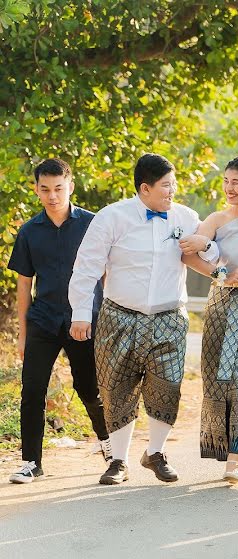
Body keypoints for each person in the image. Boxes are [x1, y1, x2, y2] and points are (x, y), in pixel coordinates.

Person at [69, 153, 219, 485]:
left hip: (169, 317)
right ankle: (118, 462)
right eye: (167, 186)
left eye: (174, 184)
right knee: (116, 387)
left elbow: (210, 253)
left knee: (167, 385)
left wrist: (205, 243)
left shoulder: (186, 216)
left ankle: (155, 452)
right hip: (118, 316)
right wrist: (81, 313)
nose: (172, 191)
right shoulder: (112, 217)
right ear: (145, 188)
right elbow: (87, 266)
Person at [7, 159, 110, 484]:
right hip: (43, 320)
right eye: (45, 189)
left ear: (70, 187)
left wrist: (107, 322)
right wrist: (23, 335)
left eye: (58, 189)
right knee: (32, 389)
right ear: (36, 189)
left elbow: (107, 274)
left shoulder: (92, 224)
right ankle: (30, 462)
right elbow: (24, 284)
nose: (52, 196)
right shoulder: (29, 232)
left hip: (85, 320)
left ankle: (110, 449)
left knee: (88, 388)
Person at [181, 157, 238, 483]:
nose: (229, 188)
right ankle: (220, 444)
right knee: (217, 379)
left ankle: (236, 454)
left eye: (236, 181)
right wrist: (221, 271)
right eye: (226, 181)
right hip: (221, 303)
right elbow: (188, 253)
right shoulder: (217, 219)